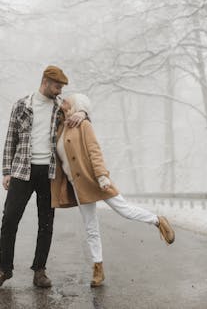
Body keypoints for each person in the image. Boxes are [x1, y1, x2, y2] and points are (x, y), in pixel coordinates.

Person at [51, 93, 175, 288]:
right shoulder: (59, 126)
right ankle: (98, 268)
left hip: (96, 179)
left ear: (76, 105)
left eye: (68, 99)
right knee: (91, 227)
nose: (63, 100)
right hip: (78, 185)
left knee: (123, 209)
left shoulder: (83, 125)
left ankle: (157, 220)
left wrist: (102, 176)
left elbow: (95, 151)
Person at [0, 66, 86, 290]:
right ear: (46, 81)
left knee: (46, 223)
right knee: (9, 219)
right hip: (22, 170)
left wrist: (83, 113)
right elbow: (10, 138)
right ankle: (4, 269)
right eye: (57, 86)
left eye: (61, 87)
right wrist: (6, 171)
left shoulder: (62, 107)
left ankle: (39, 271)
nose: (60, 90)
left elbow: (85, 109)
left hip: (49, 173)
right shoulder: (22, 105)